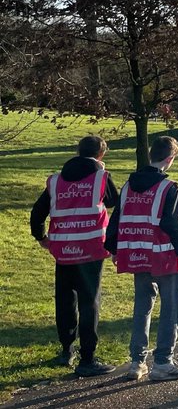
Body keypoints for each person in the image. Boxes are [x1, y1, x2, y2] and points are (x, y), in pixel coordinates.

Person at [30, 135, 120, 376]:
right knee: (89, 302)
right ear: (100, 154)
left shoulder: (57, 181)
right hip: (91, 249)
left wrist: (41, 238)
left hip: (62, 249)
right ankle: (87, 359)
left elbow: (37, 213)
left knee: (65, 300)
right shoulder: (101, 176)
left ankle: (66, 350)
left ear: (77, 151)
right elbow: (115, 203)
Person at [107, 136, 178, 382]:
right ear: (170, 159)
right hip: (164, 256)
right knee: (173, 307)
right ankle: (164, 362)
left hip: (136, 252)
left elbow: (118, 219)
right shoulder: (169, 187)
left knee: (142, 307)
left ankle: (137, 362)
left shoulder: (128, 185)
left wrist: (113, 248)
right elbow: (175, 224)